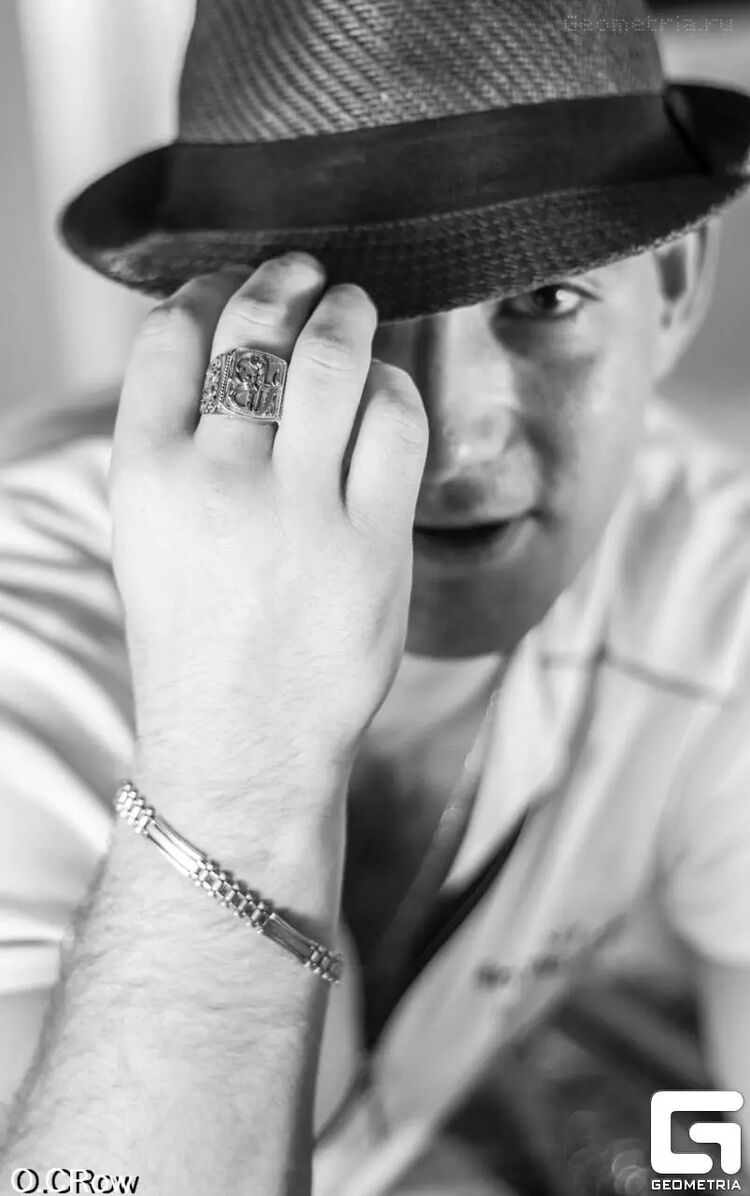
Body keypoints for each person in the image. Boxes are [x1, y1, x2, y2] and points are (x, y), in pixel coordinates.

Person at [1, 0, 750, 1192]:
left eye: (548, 300)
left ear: (674, 283)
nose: (446, 435)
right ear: (204, 330)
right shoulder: (27, 636)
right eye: (349, 322)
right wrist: (239, 761)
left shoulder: (713, 580)